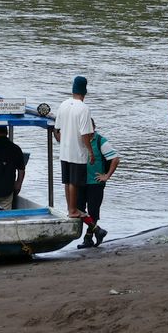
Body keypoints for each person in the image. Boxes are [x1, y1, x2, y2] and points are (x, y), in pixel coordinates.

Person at [53, 75, 106, 242]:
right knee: (74, 183)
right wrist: (90, 152)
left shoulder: (63, 105)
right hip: (78, 154)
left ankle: (88, 222)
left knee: (68, 182)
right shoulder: (84, 108)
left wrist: (63, 141)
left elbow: (56, 130)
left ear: (72, 89)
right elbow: (85, 135)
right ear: (85, 91)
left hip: (65, 153)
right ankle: (73, 210)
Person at [76, 119, 119, 248]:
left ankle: (88, 238)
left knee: (93, 211)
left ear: (94, 128)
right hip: (81, 181)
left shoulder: (100, 141)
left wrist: (106, 176)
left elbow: (115, 159)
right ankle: (97, 231)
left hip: (95, 182)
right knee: (77, 209)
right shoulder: (79, 140)